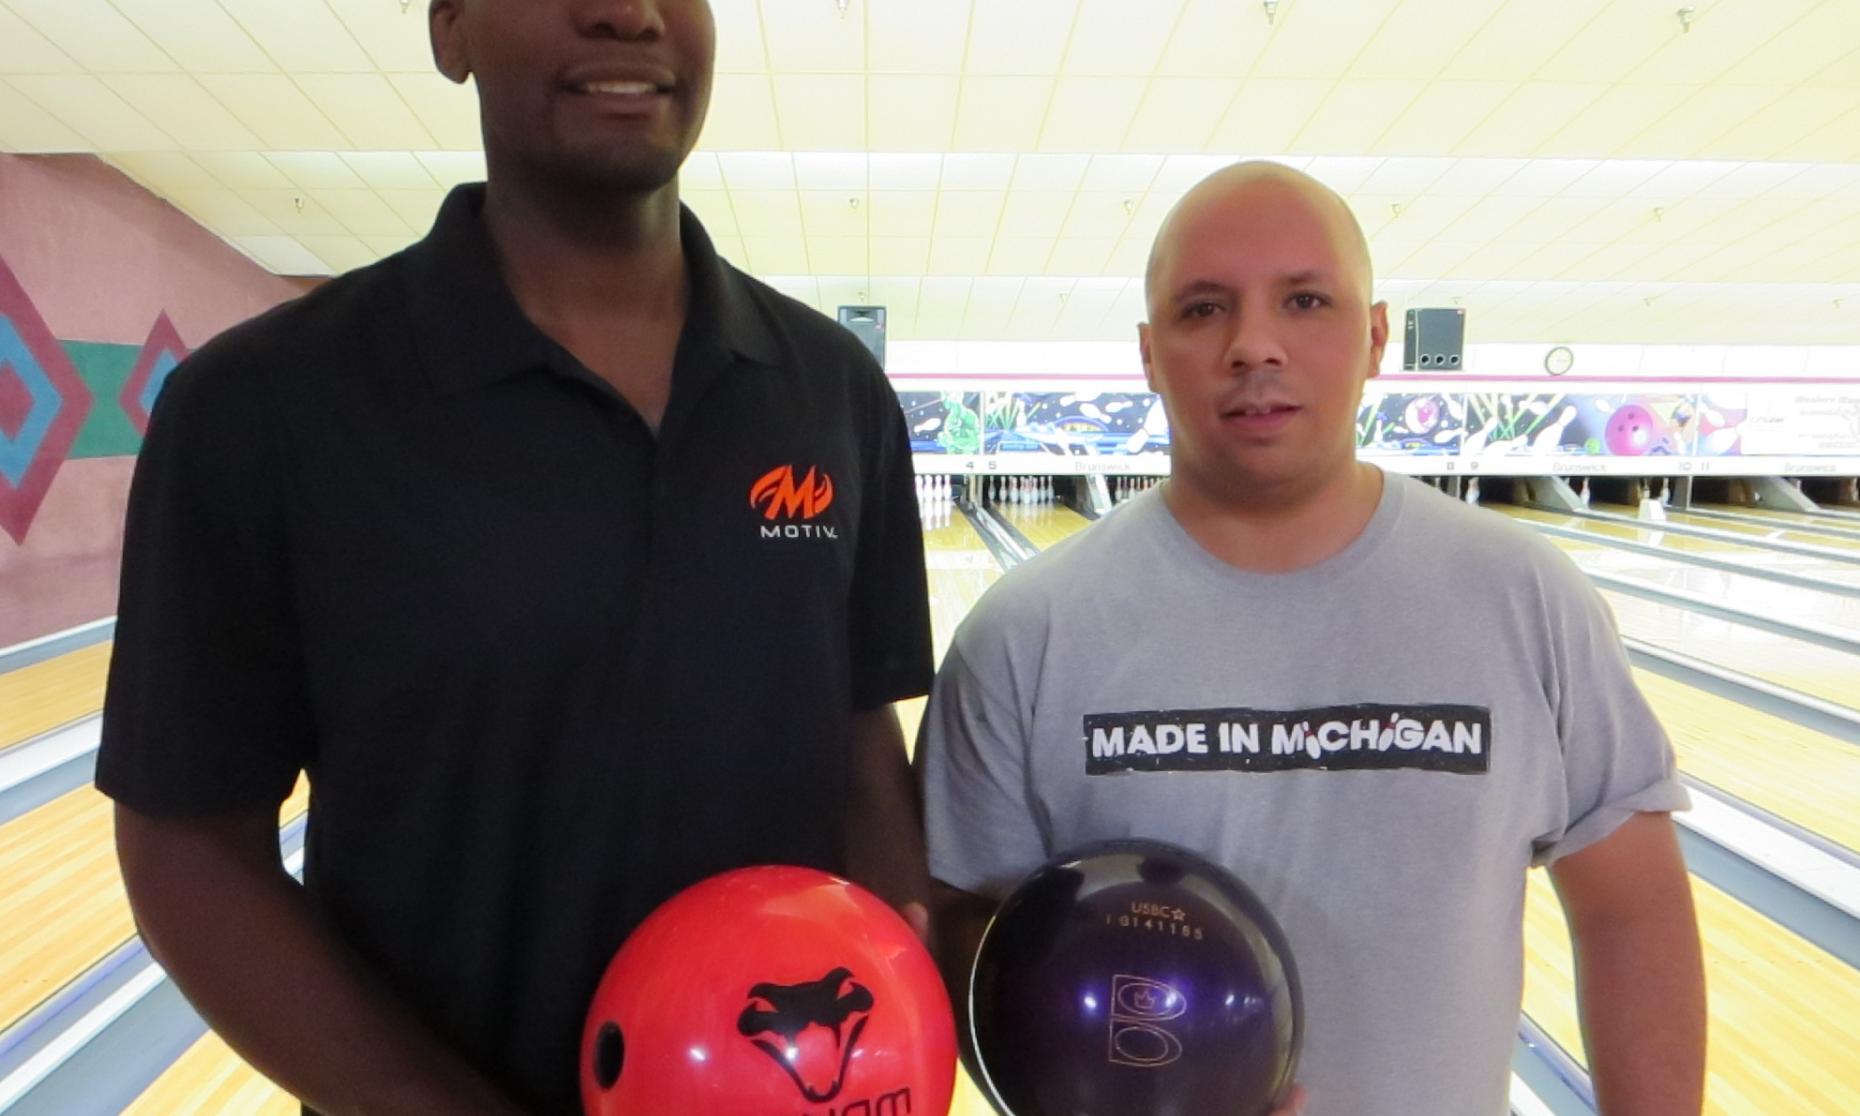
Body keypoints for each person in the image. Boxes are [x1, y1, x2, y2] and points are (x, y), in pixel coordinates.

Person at [97, 1, 933, 1112]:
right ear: (451, 30)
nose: (626, 12)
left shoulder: (833, 393)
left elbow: (862, 751)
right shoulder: (262, 407)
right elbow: (187, 852)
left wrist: (894, 1037)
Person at [919, 162, 1706, 1116]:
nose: (1255, 345)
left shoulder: (1527, 599)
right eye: (1203, 309)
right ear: (1147, 352)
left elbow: (1633, 915)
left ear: (1376, 336)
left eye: (1305, 300)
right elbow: (974, 945)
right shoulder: (1020, 638)